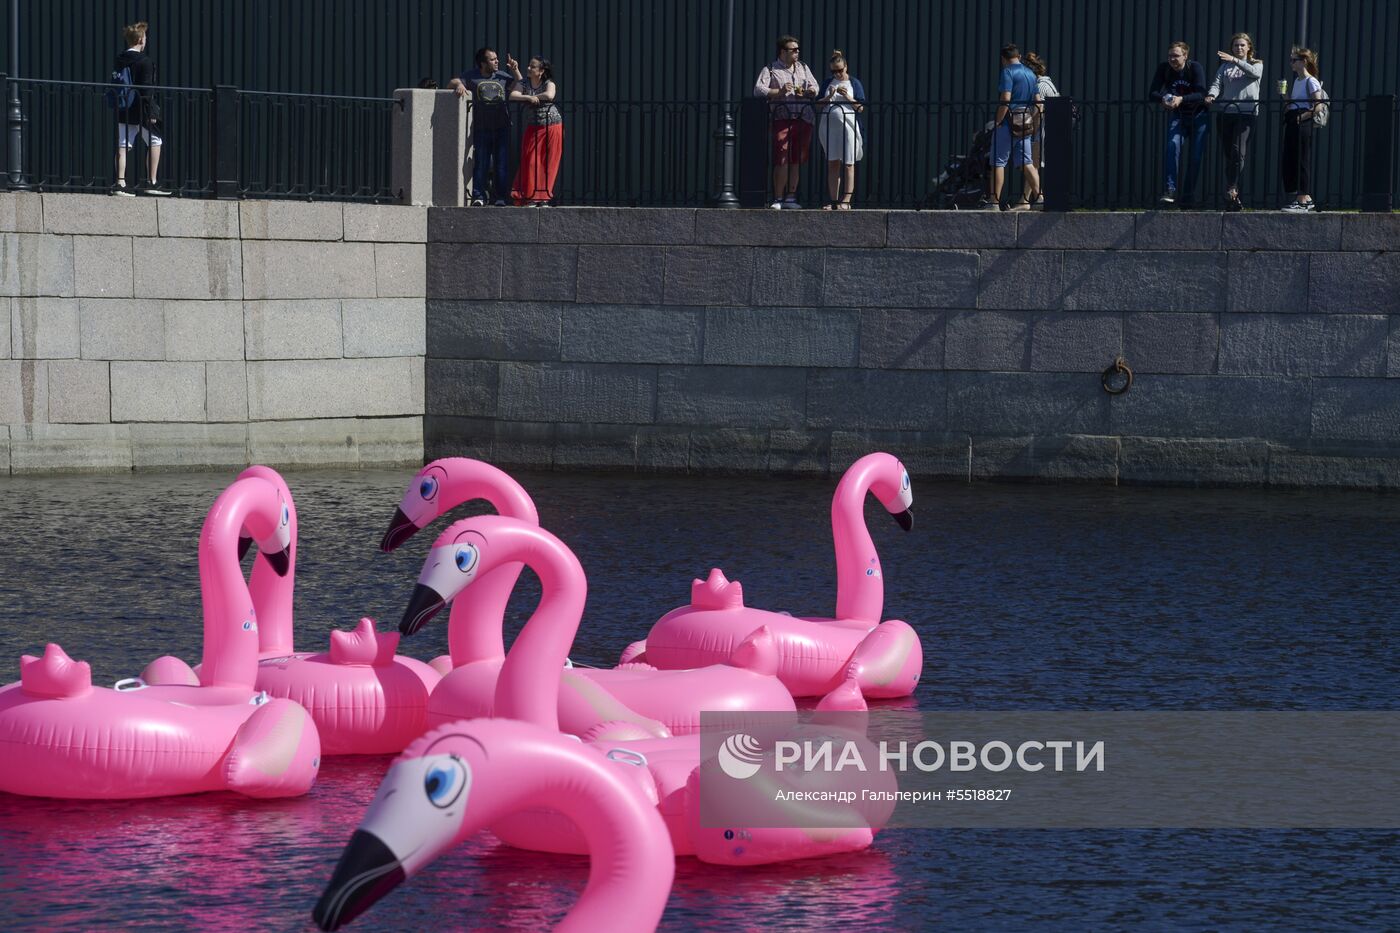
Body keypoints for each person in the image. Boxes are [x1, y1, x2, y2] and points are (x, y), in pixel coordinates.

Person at [449, 48, 522, 206]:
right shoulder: (472, 76)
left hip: (502, 127)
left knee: (501, 164)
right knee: (481, 163)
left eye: (497, 58)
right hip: (481, 128)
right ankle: (478, 196)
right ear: (482, 63)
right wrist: (459, 85)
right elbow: (453, 81)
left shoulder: (503, 76)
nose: (497, 61)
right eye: (492, 59)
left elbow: (520, 86)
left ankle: (500, 198)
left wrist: (515, 71)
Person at [754, 35, 820, 209]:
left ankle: (791, 197)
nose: (797, 53)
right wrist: (779, 91)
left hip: (803, 118)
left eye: (798, 50)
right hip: (782, 117)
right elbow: (758, 90)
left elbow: (815, 87)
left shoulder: (803, 68)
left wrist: (808, 92)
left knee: (797, 159)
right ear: (783, 52)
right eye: (794, 50)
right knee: (781, 157)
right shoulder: (771, 69)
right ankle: (777, 198)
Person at [1203, 33, 1262, 212]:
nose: (1239, 48)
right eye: (1236, 46)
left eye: (1242, 45)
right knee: (1230, 154)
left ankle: (1232, 188)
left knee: (1238, 150)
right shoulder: (1225, 67)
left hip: (1246, 114)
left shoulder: (1256, 64)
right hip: (1226, 113)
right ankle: (1233, 196)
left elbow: (1253, 74)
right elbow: (1217, 83)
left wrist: (1236, 61)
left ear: (1249, 47)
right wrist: (1212, 94)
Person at [1149, 41, 1209, 207]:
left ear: (1185, 56)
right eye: (1170, 56)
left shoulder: (1194, 68)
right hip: (1179, 115)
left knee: (1195, 156)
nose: (1172, 59)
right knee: (1172, 146)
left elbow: (1202, 93)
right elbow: (1152, 92)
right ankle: (1170, 189)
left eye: (1176, 56)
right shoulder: (1164, 69)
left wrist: (1181, 99)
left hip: (1199, 115)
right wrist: (1164, 98)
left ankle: (1188, 195)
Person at [983, 43, 1041, 211]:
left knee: (998, 162)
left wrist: (998, 121)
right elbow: (1038, 102)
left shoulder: (1008, 72)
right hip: (1025, 122)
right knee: (1027, 162)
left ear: (1003, 59)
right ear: (1019, 57)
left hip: (1008, 123)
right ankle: (1040, 197)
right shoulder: (1030, 73)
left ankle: (994, 201)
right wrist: (1031, 119)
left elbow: (1006, 99)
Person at [111, 21, 167, 197]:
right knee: (155, 141)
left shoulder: (119, 60)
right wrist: (152, 112)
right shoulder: (145, 61)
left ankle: (120, 183)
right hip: (141, 108)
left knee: (123, 145)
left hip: (124, 106)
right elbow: (147, 89)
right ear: (141, 39)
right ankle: (152, 182)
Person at [509, 56, 563, 206]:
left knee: (549, 162)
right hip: (534, 126)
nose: (528, 68)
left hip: (552, 125)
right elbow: (513, 95)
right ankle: (531, 195)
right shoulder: (524, 83)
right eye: (529, 66)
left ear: (541, 71)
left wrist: (532, 97)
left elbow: (549, 95)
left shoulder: (548, 83)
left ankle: (542, 197)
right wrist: (528, 97)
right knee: (531, 161)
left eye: (532, 67)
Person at [816, 49, 865, 209]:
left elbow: (860, 108)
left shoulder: (854, 83)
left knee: (849, 163)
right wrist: (829, 97)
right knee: (833, 163)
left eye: (840, 70)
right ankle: (834, 201)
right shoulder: (827, 83)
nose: (837, 74)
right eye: (833, 71)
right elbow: (818, 106)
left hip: (848, 126)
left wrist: (848, 97)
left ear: (846, 67)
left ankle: (846, 201)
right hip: (830, 127)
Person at [1281, 47, 1324, 213]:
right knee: (1291, 157)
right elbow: (1292, 103)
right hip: (1293, 118)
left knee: (1301, 158)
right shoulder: (1297, 81)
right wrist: (1284, 95)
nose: (1291, 63)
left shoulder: (1310, 81)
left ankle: (1303, 198)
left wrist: (1302, 117)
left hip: (1302, 120)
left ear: (1303, 62)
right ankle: (1302, 198)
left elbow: (1318, 106)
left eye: (1294, 60)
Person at [1024, 51, 1057, 207]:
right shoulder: (1046, 83)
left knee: (1032, 163)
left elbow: (1038, 111)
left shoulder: (1040, 86)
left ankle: (1036, 198)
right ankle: (1026, 199)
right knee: (1032, 164)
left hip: (1043, 130)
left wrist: (1032, 132)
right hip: (1049, 129)